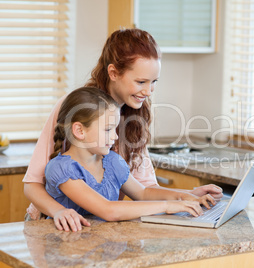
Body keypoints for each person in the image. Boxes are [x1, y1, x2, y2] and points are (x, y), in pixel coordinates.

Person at [23, 28, 223, 232]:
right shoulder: (76, 108)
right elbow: (32, 184)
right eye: (140, 82)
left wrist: (187, 195)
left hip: (96, 230)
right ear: (113, 73)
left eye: (153, 82)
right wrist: (59, 211)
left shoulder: (133, 121)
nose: (148, 91)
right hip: (53, 225)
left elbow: (144, 190)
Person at [45, 87, 215, 221]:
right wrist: (167, 206)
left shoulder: (111, 161)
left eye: (115, 128)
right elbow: (108, 210)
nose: (115, 136)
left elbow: (143, 193)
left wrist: (185, 196)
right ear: (79, 130)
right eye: (108, 129)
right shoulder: (63, 169)